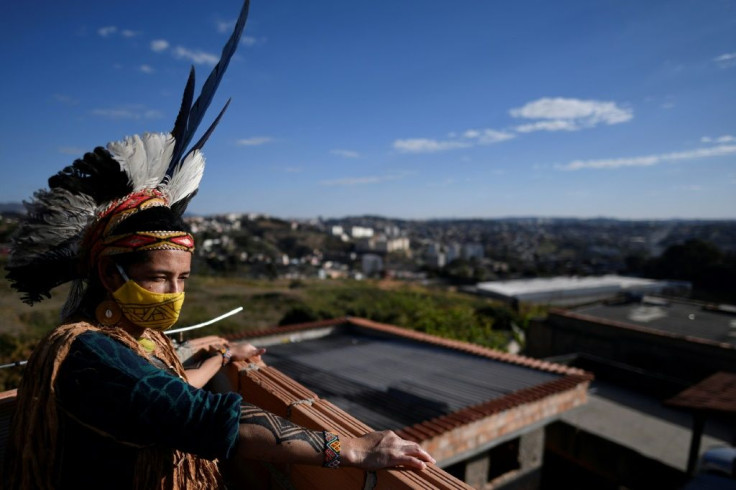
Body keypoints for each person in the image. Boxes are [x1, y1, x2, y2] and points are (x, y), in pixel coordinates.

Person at [2, 1, 434, 488]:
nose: (174, 293)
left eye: (183, 278)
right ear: (109, 274)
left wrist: (220, 357)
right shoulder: (90, 353)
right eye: (159, 277)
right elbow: (201, 417)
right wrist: (353, 446)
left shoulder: (130, 343)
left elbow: (168, 391)